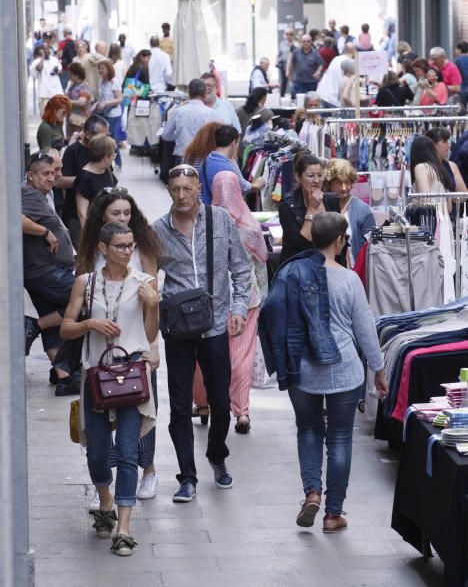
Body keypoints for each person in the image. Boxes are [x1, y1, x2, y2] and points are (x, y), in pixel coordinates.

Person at [263, 211, 388, 532]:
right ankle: (333, 514)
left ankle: (312, 492)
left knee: (307, 431)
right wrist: (379, 368)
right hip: (344, 370)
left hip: (301, 368)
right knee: (340, 439)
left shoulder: (292, 274)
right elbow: (365, 330)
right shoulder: (349, 280)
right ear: (339, 241)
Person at [153, 164, 251, 502]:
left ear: (199, 190)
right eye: (175, 188)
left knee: (221, 402)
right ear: (168, 190)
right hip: (179, 329)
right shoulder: (158, 230)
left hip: (215, 323)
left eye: (187, 189)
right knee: (179, 406)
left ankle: (217, 455)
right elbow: (149, 281)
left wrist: (239, 309)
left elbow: (240, 267)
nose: (181, 195)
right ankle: (187, 477)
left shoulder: (220, 220)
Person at [60, 223, 158, 556]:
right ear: (103, 248)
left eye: (130, 245)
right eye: (120, 246)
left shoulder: (144, 284)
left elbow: (150, 332)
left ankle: (124, 528)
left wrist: (154, 305)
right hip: (97, 376)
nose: (127, 251)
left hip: (132, 374)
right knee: (98, 452)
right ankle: (105, 502)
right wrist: (90, 323)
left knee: (128, 452)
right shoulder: (85, 284)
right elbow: (66, 328)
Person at [76, 188, 160, 504]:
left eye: (127, 213)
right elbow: (79, 305)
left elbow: (154, 301)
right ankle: (107, 493)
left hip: (136, 350)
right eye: (116, 214)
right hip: (98, 357)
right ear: (102, 218)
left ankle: (147, 469)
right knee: (99, 434)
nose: (124, 218)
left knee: (139, 415)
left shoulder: (142, 249)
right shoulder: (90, 255)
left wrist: (155, 348)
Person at [193, 171, 268, 434]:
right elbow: (260, 266)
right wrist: (260, 297)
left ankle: (203, 405)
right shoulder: (249, 225)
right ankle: (242, 411)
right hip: (245, 299)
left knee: (203, 354)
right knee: (241, 356)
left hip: (209, 299)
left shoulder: (202, 222)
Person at [22, 153, 79, 394]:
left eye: (53, 172)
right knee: (86, 298)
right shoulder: (30, 194)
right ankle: (35, 325)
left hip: (47, 270)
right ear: (30, 176)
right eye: (45, 173)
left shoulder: (43, 194)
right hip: (45, 272)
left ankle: (63, 376)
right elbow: (13, 218)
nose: (51, 177)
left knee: (54, 323)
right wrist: (45, 232)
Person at [278, 152, 340, 264]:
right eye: (311, 176)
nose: (316, 180)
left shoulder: (332, 200)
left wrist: (346, 271)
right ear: (298, 177)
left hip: (330, 268)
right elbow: (299, 246)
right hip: (299, 270)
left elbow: (341, 242)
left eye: (320, 175)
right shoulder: (287, 205)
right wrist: (311, 209)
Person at [61, 114, 109, 249]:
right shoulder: (73, 151)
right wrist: (87, 179)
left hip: (101, 215)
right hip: (77, 216)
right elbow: (59, 181)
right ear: (88, 134)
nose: (104, 140)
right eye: (101, 136)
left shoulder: (102, 151)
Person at [323, 159, 376, 266]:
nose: (343, 188)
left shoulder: (363, 210)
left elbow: (371, 248)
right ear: (329, 183)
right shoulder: (321, 205)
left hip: (353, 271)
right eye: (338, 182)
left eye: (347, 182)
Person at [199, 125, 265, 204]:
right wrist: (257, 185)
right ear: (234, 143)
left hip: (208, 209)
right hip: (221, 214)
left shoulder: (207, 161)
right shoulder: (227, 168)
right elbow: (243, 188)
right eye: (238, 143)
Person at [161, 78, 218, 165]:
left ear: (189, 93)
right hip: (204, 158)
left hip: (182, 156)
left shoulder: (178, 112)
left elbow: (165, 135)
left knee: (182, 178)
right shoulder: (212, 113)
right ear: (204, 93)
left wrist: (178, 135)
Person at [75, 134, 118, 228]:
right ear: (105, 157)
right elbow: (82, 213)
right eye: (113, 154)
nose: (114, 157)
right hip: (93, 227)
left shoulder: (107, 169)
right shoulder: (85, 177)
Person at [92, 60, 124, 155]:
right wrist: (95, 105)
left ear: (109, 70)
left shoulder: (114, 81)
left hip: (113, 114)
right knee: (103, 137)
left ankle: (116, 161)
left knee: (110, 138)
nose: (100, 71)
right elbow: (101, 98)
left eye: (102, 68)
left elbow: (119, 99)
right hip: (103, 113)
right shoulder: (101, 82)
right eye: (99, 68)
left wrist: (106, 103)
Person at [425, 128, 467, 193]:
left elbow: (463, 194)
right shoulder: (423, 167)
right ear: (432, 144)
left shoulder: (452, 166)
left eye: (448, 141)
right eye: (444, 142)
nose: (449, 145)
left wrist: (447, 196)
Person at [317, 43, 355, 108]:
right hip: (334, 100)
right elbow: (345, 84)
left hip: (323, 94)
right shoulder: (349, 63)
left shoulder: (336, 59)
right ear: (354, 51)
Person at [31, 43, 63, 113]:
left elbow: (61, 72)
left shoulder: (55, 60)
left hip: (56, 93)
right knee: (45, 116)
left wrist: (57, 71)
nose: (46, 51)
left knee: (57, 116)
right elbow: (39, 68)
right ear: (40, 51)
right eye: (44, 49)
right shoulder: (37, 62)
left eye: (47, 48)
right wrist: (42, 57)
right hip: (44, 95)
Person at [66, 62, 92, 138]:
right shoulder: (72, 85)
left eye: (71, 74)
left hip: (80, 119)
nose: (69, 76)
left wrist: (66, 101)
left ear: (76, 75)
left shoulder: (84, 86)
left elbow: (82, 102)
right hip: (72, 118)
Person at [277, 28, 297, 96]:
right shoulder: (282, 43)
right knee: (283, 83)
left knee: (293, 83)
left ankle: (293, 98)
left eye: (291, 34)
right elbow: (279, 54)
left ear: (294, 35)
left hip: (293, 67)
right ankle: (281, 97)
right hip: (284, 66)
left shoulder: (296, 44)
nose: (289, 36)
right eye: (287, 34)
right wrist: (277, 61)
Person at [57, 25, 76, 90]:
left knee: (62, 88)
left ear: (64, 33)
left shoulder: (62, 43)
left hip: (65, 68)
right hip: (73, 68)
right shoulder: (75, 42)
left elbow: (59, 55)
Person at [454, 41, 468, 107]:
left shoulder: (457, 61)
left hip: (462, 88)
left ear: (459, 50)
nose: (455, 51)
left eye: (456, 49)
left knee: (462, 110)